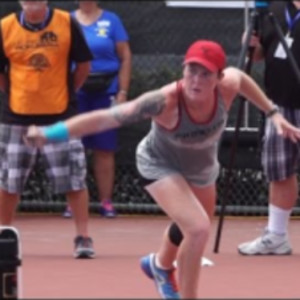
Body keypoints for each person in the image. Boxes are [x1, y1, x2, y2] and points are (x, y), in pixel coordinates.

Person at [24, 40, 300, 299]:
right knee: (198, 227)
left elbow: (241, 78)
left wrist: (273, 113)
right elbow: (105, 119)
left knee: (192, 223)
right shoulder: (163, 100)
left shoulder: (227, 86)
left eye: (206, 74)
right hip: (159, 163)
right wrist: (51, 133)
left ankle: (159, 264)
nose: (197, 80)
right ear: (183, 69)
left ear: (218, 78)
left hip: (201, 167)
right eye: (192, 70)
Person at [0, 0, 95, 258]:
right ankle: (4, 235)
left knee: (73, 178)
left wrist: (68, 93)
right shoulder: (5, 27)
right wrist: (14, 96)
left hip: (61, 116)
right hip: (16, 117)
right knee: (9, 181)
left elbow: (83, 64)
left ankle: (83, 237)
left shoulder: (66, 22)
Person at [238, 0, 300, 255]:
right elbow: (259, 54)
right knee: (280, 169)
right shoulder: (272, 8)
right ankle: (276, 236)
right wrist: (250, 45)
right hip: (280, 104)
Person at [62, 0, 131, 219]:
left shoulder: (112, 20)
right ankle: (73, 204)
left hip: (106, 91)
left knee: (104, 148)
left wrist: (122, 92)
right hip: (75, 92)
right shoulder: (67, 20)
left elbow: (125, 56)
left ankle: (105, 202)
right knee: (74, 149)